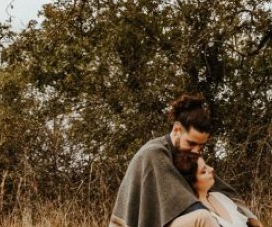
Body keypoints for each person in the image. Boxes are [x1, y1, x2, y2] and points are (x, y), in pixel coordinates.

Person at [109, 94, 260, 227]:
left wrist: (249, 217)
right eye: (191, 143)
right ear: (176, 130)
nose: (196, 151)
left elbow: (216, 186)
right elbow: (182, 200)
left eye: (200, 146)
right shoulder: (154, 153)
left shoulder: (185, 154)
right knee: (202, 217)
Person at [174, 152, 264, 227]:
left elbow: (246, 221)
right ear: (192, 183)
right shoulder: (193, 215)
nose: (211, 169)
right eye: (203, 171)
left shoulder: (220, 196)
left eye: (207, 165)